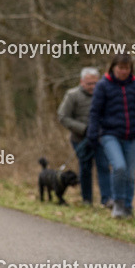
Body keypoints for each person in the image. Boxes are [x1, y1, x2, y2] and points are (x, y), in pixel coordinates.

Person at [86, 53, 135, 219]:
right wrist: (92, 132)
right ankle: (117, 203)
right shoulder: (103, 85)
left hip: (132, 135)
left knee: (130, 174)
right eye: (120, 68)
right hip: (110, 134)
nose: (123, 71)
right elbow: (95, 112)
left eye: (127, 68)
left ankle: (128, 206)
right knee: (119, 167)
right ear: (113, 67)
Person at [57, 67, 111, 207]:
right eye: (89, 84)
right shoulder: (72, 95)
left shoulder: (104, 94)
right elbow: (62, 116)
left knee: (104, 166)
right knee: (85, 168)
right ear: (82, 82)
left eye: (95, 83)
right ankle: (87, 200)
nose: (93, 87)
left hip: (100, 138)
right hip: (80, 139)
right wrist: (83, 129)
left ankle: (107, 200)